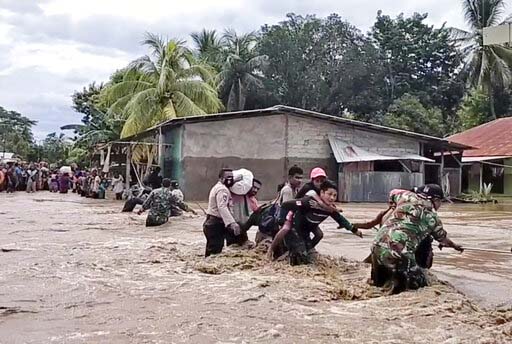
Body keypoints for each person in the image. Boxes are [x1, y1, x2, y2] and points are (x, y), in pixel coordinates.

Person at [370, 184, 464, 294]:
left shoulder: (405, 196)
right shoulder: (432, 218)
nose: (440, 205)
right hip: (400, 252)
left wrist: (394, 206)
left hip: (376, 246)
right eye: (440, 202)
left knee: (376, 285)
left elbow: (392, 192)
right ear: (436, 200)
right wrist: (455, 246)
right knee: (423, 286)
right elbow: (443, 240)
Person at [269, 180, 363, 265]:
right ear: (322, 192)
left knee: (312, 259)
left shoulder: (330, 209)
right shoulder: (309, 202)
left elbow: (341, 220)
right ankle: (275, 257)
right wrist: (282, 221)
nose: (332, 198)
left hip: (305, 232)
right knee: (301, 258)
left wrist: (355, 231)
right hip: (294, 230)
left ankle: (304, 250)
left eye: (334, 195)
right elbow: (286, 204)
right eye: (329, 194)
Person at [203, 168, 241, 257]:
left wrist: (236, 179)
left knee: (212, 251)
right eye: (228, 177)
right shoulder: (222, 190)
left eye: (232, 177)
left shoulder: (218, 187)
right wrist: (232, 223)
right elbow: (222, 207)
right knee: (215, 253)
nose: (230, 179)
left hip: (211, 222)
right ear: (221, 178)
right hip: (216, 224)